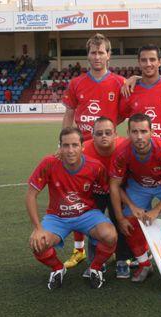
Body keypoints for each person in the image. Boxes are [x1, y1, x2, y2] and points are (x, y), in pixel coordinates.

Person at [26, 127, 117, 289]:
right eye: (66, 145)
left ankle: (95, 268)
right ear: (59, 147)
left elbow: (109, 189)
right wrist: (37, 228)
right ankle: (57, 268)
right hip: (57, 217)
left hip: (87, 214)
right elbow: (30, 195)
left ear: (83, 146)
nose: (70, 150)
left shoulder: (95, 166)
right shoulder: (49, 163)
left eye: (75, 145)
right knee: (38, 244)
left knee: (110, 235)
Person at [62, 33, 125, 269]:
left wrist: (108, 131)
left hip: (108, 152)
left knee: (115, 201)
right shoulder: (77, 83)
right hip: (81, 152)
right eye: (93, 52)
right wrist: (64, 144)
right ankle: (80, 251)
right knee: (83, 203)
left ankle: (123, 254)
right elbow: (69, 113)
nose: (97, 56)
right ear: (88, 56)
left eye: (101, 52)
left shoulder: (119, 82)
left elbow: (126, 113)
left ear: (109, 55)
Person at [110, 113, 161, 282]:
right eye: (134, 132)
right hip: (139, 186)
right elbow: (114, 185)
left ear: (151, 132)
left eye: (143, 131)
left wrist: (156, 210)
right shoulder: (121, 152)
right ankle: (144, 264)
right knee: (128, 221)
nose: (139, 137)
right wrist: (123, 215)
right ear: (128, 132)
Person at [82, 117, 133, 278]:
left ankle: (122, 260)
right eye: (99, 133)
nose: (103, 136)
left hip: (118, 190)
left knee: (121, 222)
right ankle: (96, 262)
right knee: (93, 225)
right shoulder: (84, 149)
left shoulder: (125, 146)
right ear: (92, 135)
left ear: (115, 134)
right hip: (95, 191)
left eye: (108, 133)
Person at [119, 44, 161, 144]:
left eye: (152, 59)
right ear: (139, 62)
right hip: (138, 151)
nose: (148, 64)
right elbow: (121, 115)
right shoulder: (130, 90)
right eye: (144, 60)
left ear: (159, 62)